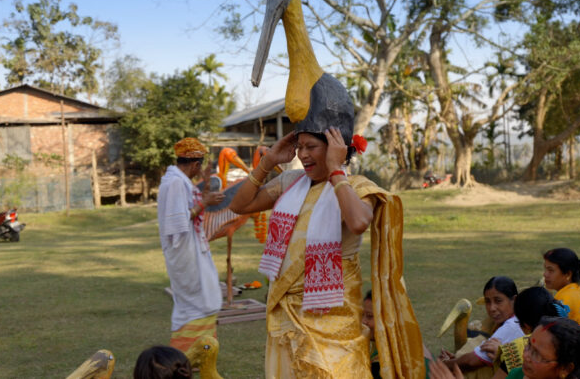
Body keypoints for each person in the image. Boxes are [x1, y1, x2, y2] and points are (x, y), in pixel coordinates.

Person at [229, 123, 424, 377]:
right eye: (300, 147)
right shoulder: (290, 182)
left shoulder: (357, 187)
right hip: (287, 311)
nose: (303, 154)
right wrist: (269, 162)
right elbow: (239, 205)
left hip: (333, 315)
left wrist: (335, 170)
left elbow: (358, 222)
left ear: (336, 148)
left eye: (311, 147)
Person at [157, 137, 225, 352]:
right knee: (195, 299)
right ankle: (188, 352)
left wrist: (204, 189)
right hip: (184, 251)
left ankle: (200, 350)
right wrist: (205, 203)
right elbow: (178, 222)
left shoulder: (177, 180)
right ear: (195, 164)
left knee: (205, 294)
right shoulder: (176, 183)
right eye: (200, 166)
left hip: (191, 248)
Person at [441, 277, 523, 377]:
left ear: (514, 300)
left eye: (498, 301)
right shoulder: (517, 320)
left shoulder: (512, 326)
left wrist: (441, 365)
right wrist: (455, 359)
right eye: (488, 302)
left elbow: (470, 362)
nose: (492, 308)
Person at [543, 248, 580, 372]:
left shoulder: (564, 299)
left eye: (551, 270)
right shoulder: (575, 292)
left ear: (567, 274)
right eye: (545, 269)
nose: (545, 274)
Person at [505, 317, 580, 379]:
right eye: (529, 345)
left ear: (565, 369)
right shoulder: (517, 374)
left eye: (537, 354)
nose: (525, 356)